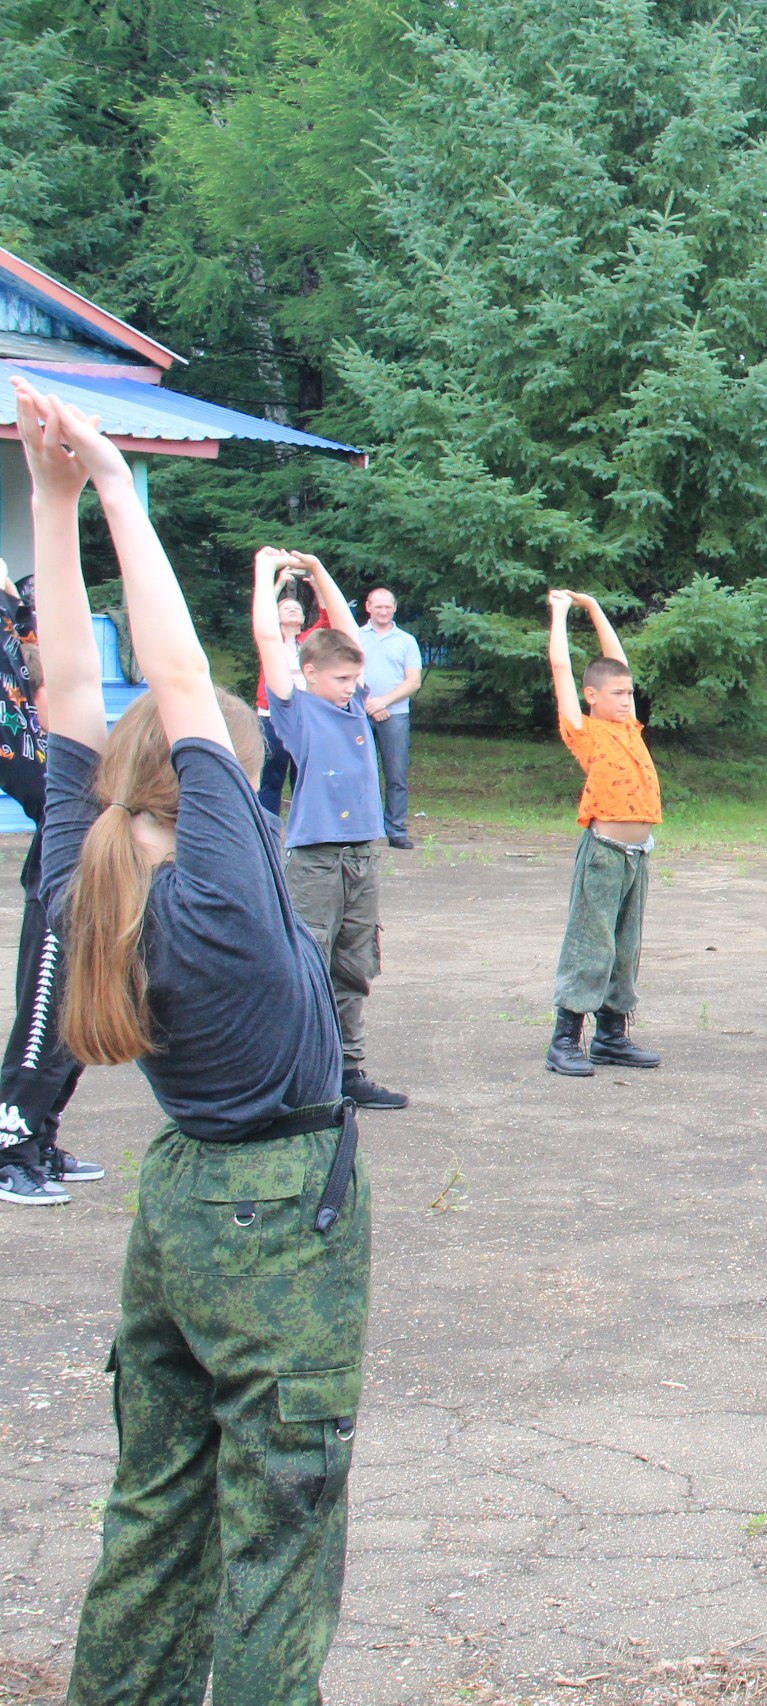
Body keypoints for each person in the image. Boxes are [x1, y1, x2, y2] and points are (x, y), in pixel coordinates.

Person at [13, 376, 369, 1704]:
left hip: (179, 1203)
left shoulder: (80, 884)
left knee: (158, 1508)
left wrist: (50, 506)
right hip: (279, 1208)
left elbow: (65, 691)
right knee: (279, 1531)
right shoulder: (219, 891)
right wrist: (107, 480)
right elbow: (163, 677)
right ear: (199, 768)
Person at [253, 548, 409, 1112]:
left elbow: (347, 635)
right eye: (341, 678)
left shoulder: (352, 704)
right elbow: (272, 642)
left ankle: (347, 1070)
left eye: (355, 678)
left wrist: (317, 572)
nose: (351, 686)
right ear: (310, 674)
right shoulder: (296, 708)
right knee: (306, 965)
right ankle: (296, 1076)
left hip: (360, 857)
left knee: (354, 966)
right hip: (315, 859)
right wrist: (266, 577)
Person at [0, 576, 95, 1205]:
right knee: (47, 1007)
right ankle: (12, 1148)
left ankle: (40, 1134)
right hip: (63, 834)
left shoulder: (16, 628)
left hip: (77, 827)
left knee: (79, 1010)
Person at [543, 589, 664, 1076]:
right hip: (604, 853)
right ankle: (565, 1038)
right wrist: (559, 613)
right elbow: (560, 669)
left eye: (629, 694)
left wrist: (592, 609)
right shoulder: (585, 730)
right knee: (590, 944)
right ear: (592, 697)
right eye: (616, 694)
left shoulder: (629, 727)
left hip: (638, 854)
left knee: (625, 945)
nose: (625, 700)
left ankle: (612, 1035)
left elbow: (617, 659)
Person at [356, 585, 423, 849]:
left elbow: (413, 681)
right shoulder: (355, 636)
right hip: (359, 713)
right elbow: (347, 674)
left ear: (394, 608)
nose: (383, 611)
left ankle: (396, 830)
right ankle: (363, 829)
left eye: (388, 606)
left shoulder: (406, 641)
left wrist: (383, 702)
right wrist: (368, 704)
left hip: (395, 714)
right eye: (377, 606)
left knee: (396, 774)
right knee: (361, 772)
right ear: (368, 607)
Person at [254, 579, 325, 819]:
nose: (292, 609)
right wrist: (278, 584)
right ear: (276, 616)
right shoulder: (270, 641)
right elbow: (261, 615)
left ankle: (304, 828)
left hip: (304, 715)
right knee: (271, 777)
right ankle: (267, 827)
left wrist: (317, 585)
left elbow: (326, 617)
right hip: (271, 715)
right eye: (286, 608)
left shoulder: (311, 640)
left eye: (297, 608)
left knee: (303, 776)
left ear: (304, 618)